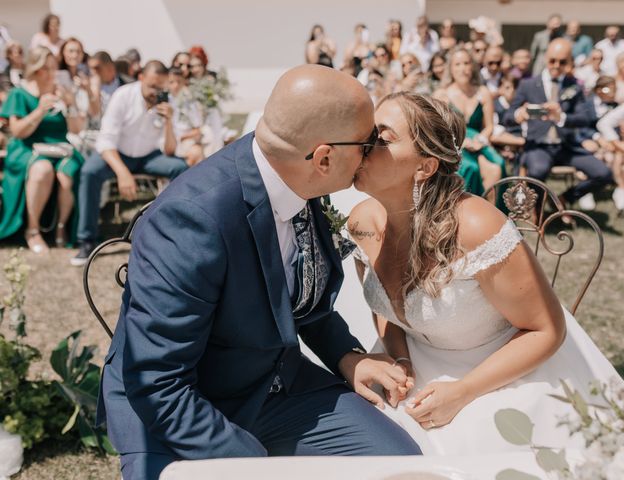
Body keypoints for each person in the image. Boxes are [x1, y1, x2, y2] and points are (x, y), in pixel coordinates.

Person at [98, 64, 421, 479]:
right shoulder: (191, 219)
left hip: (276, 386)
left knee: (406, 470)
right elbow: (158, 383)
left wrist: (347, 357)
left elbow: (306, 301)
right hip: (180, 409)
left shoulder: (296, 176)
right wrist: (252, 464)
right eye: (365, 142)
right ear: (324, 157)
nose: (371, 152)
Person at [348, 90, 624, 456]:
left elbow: (546, 330)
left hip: (506, 372)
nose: (362, 145)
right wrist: (400, 360)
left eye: (381, 138)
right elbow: (387, 311)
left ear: (424, 167)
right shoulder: (361, 222)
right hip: (417, 367)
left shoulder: (475, 226)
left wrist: (463, 392)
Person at [71, 61, 188, 265]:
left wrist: (169, 121)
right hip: (118, 153)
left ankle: (172, 232)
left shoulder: (168, 103)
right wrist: (122, 173)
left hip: (149, 156)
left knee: (180, 168)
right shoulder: (123, 95)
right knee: (90, 171)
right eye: (152, 86)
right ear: (141, 78)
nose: (156, 92)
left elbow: (170, 150)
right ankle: (86, 239)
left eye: (161, 87)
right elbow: (106, 142)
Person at [505, 38, 614, 209]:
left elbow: (584, 118)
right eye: (552, 60)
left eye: (562, 61)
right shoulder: (528, 84)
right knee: (537, 171)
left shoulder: (574, 86)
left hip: (566, 146)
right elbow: (508, 116)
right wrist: (520, 114)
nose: (556, 65)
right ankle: (539, 212)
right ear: (546, 58)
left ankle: (564, 199)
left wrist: (561, 117)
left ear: (569, 61)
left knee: (604, 174)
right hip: (538, 145)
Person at [0, 47, 84, 253]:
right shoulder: (20, 93)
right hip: (27, 148)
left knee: (67, 174)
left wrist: (71, 104)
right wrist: (39, 110)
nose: (50, 74)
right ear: (35, 70)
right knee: (42, 169)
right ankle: (33, 230)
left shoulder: (60, 92)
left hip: (60, 148)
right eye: (45, 69)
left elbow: (76, 129)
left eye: (53, 68)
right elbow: (18, 132)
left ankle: (61, 228)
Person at [434, 47, 506, 195]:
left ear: (472, 66)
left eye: (466, 63)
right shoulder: (442, 95)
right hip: (453, 143)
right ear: (451, 69)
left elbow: (489, 126)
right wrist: (462, 142)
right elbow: (437, 128)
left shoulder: (483, 92)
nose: (463, 68)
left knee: (498, 164)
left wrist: (480, 139)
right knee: (470, 168)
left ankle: (493, 211)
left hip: (478, 141)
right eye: (458, 64)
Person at [574, 76, 624, 210]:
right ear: (599, 90)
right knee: (595, 156)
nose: (613, 92)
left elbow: (615, 129)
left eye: (615, 89)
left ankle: (620, 190)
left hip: (610, 143)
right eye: (610, 89)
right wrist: (597, 138)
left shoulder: (616, 106)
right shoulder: (585, 105)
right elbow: (580, 127)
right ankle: (585, 190)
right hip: (589, 140)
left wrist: (612, 141)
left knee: (613, 157)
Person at [167, 68, 204, 166]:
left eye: (179, 82)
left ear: (184, 82)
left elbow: (197, 130)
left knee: (196, 152)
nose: (175, 86)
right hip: (166, 140)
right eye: (171, 82)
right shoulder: (164, 101)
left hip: (184, 140)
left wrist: (182, 137)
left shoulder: (190, 102)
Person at [58, 37, 100, 120]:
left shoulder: (89, 78)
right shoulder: (56, 77)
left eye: (78, 51)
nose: (75, 55)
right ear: (63, 53)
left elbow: (95, 112)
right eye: (71, 51)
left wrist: (88, 89)